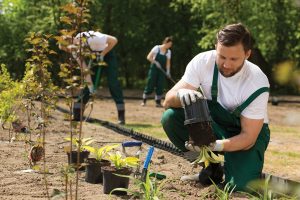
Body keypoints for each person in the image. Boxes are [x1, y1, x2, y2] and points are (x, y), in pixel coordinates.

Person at [161, 23, 270, 191]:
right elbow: (167, 101)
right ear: (215, 48)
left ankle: (236, 169)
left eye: (233, 59)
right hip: (216, 124)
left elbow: (248, 138)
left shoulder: (256, 82)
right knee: (170, 117)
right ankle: (211, 168)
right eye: (222, 57)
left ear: (247, 54)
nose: (226, 64)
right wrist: (181, 95)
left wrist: (217, 145)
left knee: (239, 188)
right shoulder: (203, 62)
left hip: (248, 134)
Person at [59, 31, 125, 124]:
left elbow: (114, 40)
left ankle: (121, 116)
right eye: (67, 51)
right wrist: (91, 87)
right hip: (94, 55)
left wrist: (103, 54)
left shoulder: (91, 38)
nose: (70, 51)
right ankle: (77, 114)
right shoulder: (75, 51)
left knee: (113, 83)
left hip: (108, 53)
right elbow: (85, 70)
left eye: (68, 49)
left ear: (71, 41)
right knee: (87, 84)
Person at [141, 36, 173, 107]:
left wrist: (168, 71)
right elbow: (148, 57)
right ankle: (144, 101)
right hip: (154, 69)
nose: (170, 46)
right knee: (150, 83)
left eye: (171, 45)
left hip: (162, 71)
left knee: (160, 85)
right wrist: (155, 62)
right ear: (165, 42)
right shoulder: (157, 48)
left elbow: (168, 63)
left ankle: (158, 102)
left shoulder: (168, 52)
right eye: (169, 44)